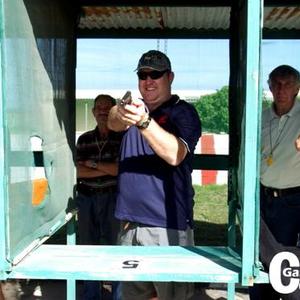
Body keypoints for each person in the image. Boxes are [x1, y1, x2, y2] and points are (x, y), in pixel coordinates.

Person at [108, 50, 202, 300]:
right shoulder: (134, 111)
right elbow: (112, 122)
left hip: (167, 228)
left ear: (170, 77)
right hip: (130, 226)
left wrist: (144, 122)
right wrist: (123, 111)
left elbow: (175, 154)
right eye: (142, 75)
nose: (148, 80)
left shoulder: (184, 112)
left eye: (155, 74)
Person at [250, 65, 300, 299]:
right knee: (259, 258)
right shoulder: (260, 117)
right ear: (269, 87)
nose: (281, 89)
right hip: (262, 197)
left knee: (287, 261)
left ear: (297, 88)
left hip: (293, 200)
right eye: (277, 84)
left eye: (288, 84)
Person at [76, 94, 123, 300]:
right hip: (87, 198)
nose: (103, 111)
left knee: (118, 247)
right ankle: (91, 295)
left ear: (114, 111)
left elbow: (120, 171)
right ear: (93, 112)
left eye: (107, 107)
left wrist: (93, 165)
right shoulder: (84, 139)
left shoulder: (123, 138)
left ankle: (118, 295)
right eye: (99, 108)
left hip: (114, 198)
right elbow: (77, 171)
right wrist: (107, 169)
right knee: (88, 248)